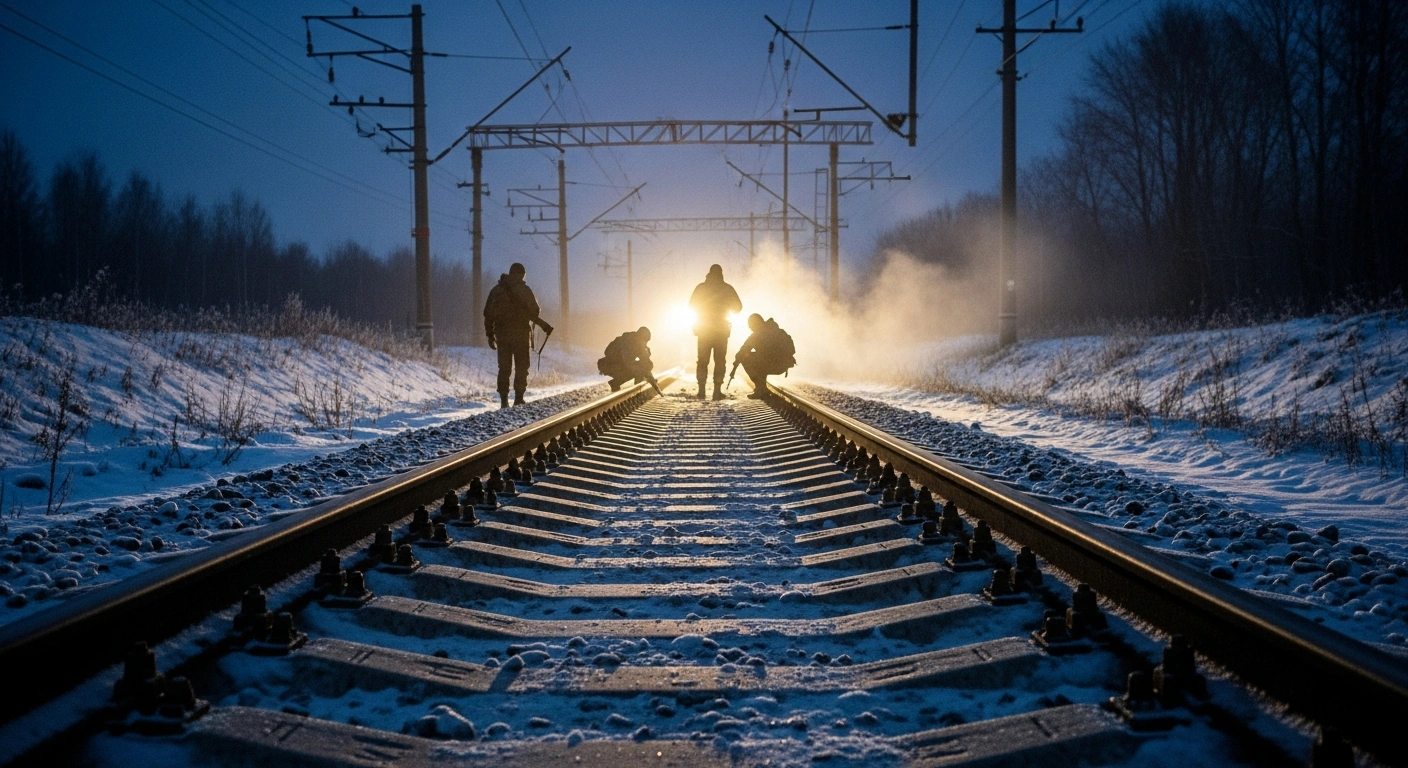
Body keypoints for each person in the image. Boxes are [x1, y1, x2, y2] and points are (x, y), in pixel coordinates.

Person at [483, 262, 541, 408]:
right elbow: (535, 311)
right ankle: (518, 398)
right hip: (521, 335)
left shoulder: (496, 291)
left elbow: (488, 314)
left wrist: (490, 335)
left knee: (504, 368)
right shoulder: (524, 290)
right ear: (521, 274)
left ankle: (503, 401)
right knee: (522, 366)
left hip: (502, 335)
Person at [688, 264, 742, 401]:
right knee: (720, 361)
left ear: (709, 273)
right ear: (721, 274)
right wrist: (727, 309)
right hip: (721, 330)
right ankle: (717, 391)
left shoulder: (701, 287)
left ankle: (701, 391)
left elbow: (691, 305)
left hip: (704, 330)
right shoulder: (727, 288)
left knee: (702, 360)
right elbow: (738, 307)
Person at [732, 313, 796, 399]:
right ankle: (762, 389)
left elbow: (743, 352)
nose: (750, 328)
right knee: (760, 360)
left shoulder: (756, 335)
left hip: (772, 364)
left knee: (747, 358)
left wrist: (736, 363)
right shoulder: (777, 330)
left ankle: (761, 389)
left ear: (755, 324)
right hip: (783, 365)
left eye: (751, 326)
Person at [598, 326, 658, 392]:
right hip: (609, 365)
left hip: (620, 364)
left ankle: (618, 384)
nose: (645, 343)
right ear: (641, 338)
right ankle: (636, 390)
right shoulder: (628, 342)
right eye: (645, 341)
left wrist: (650, 375)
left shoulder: (638, 344)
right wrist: (643, 372)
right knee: (638, 370)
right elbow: (628, 361)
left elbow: (645, 361)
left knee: (641, 368)